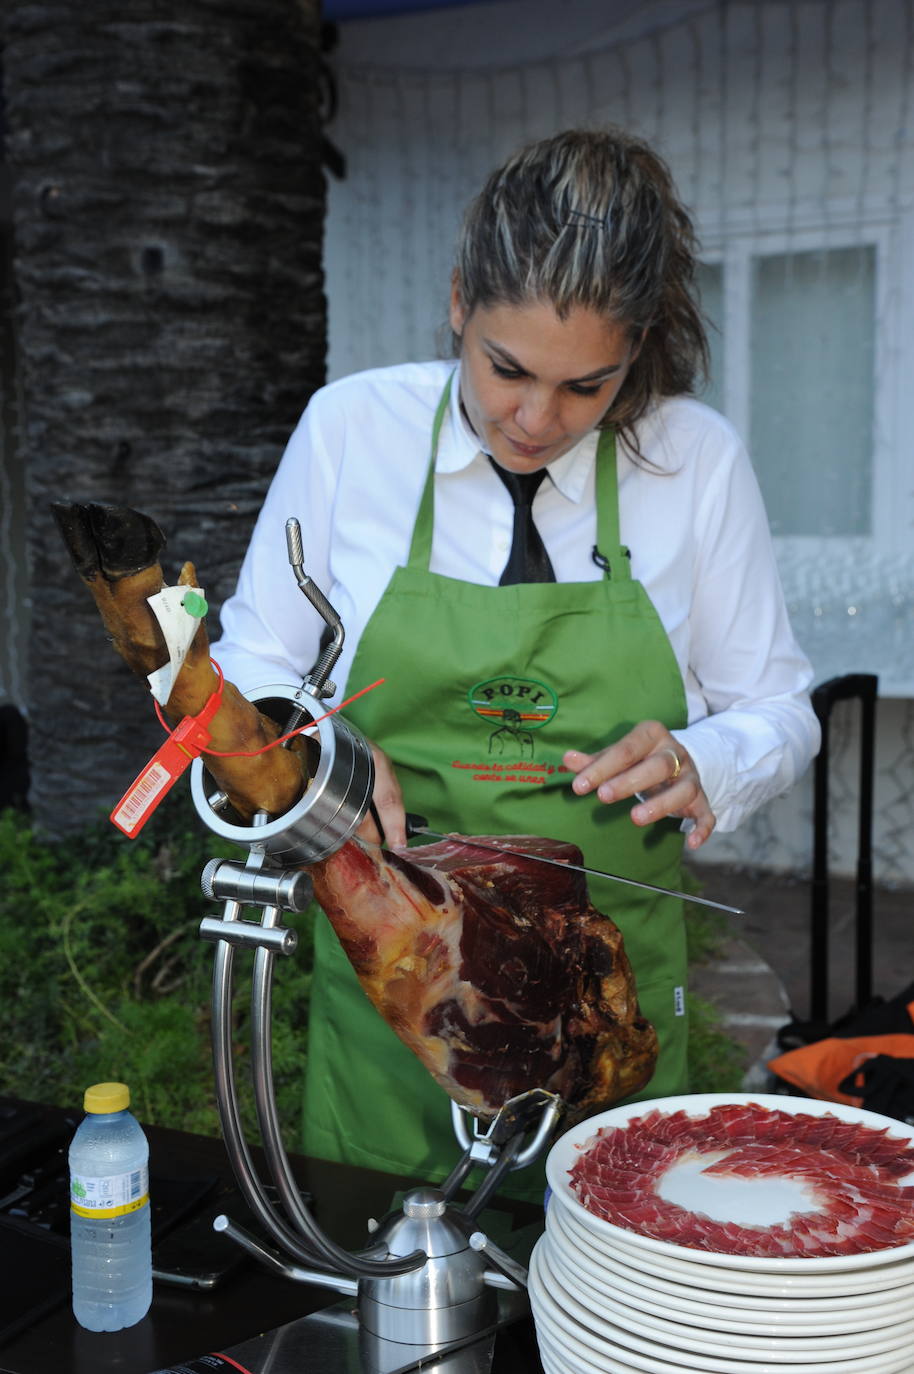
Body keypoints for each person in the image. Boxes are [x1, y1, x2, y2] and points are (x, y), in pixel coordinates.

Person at [214, 127, 820, 1195]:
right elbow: (245, 675)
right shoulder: (351, 431)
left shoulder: (694, 460)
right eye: (505, 371)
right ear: (457, 302)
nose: (535, 420)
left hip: (606, 994)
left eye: (588, 387)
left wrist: (703, 757)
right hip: (398, 995)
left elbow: (776, 705)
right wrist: (325, 763)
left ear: (638, 349)